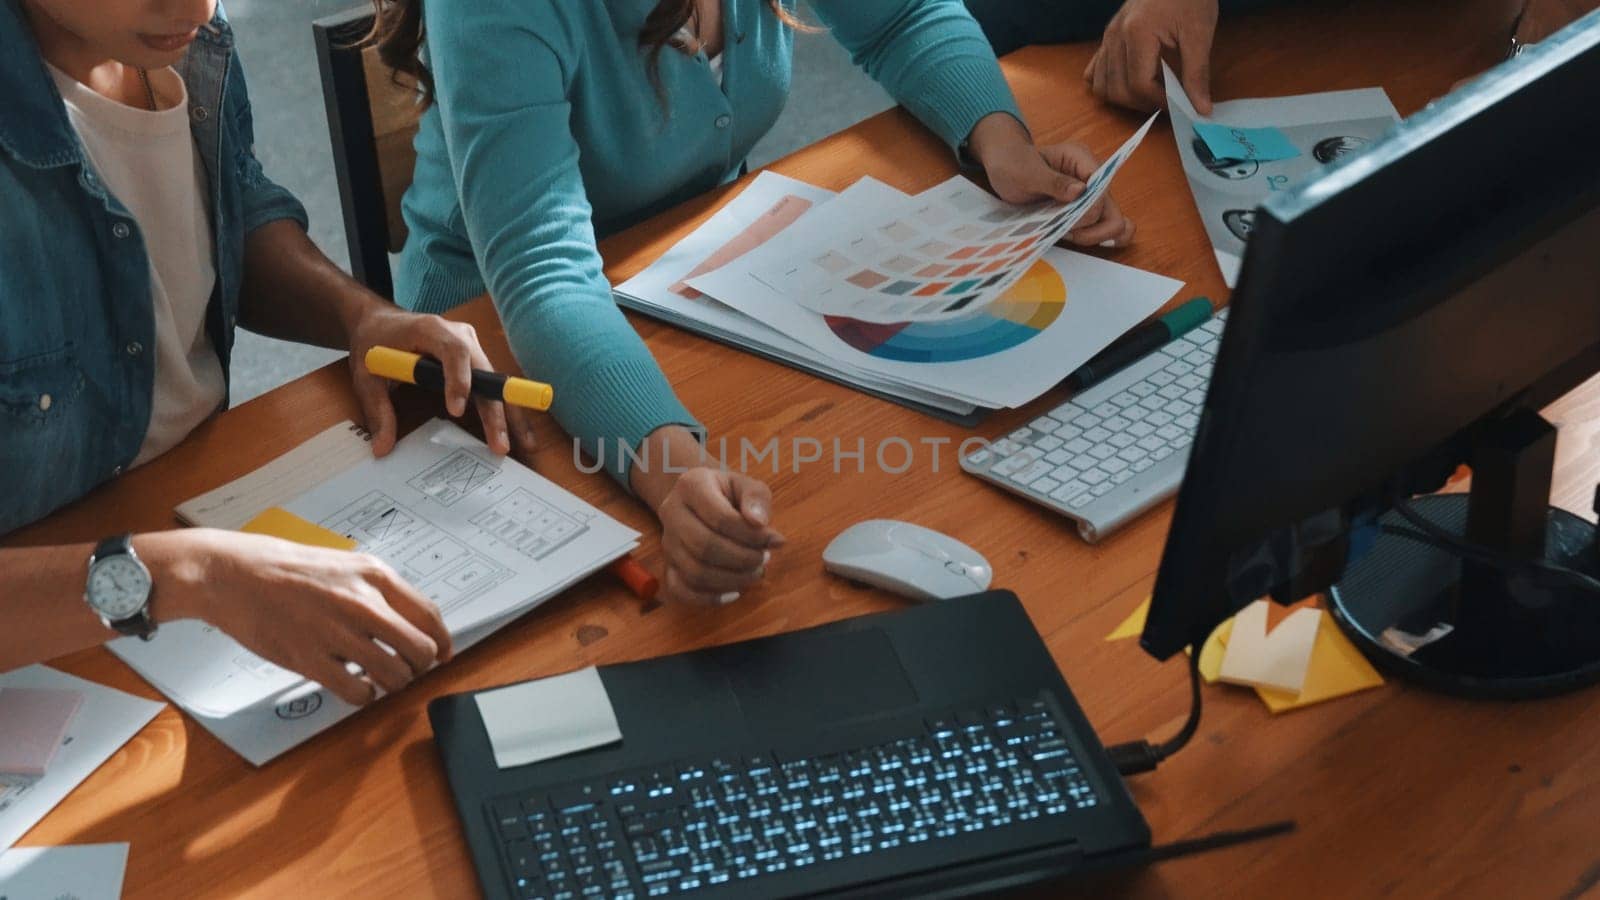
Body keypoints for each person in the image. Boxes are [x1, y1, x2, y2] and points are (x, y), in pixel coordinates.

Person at [368, 0, 1135, 606]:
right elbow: (543, 271)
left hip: (698, 289)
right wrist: (673, 477)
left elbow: (903, 15)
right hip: (505, 357)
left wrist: (1002, 146)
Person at [0, 0, 534, 706]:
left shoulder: (185, 38)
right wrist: (192, 575)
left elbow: (229, 210)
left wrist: (360, 316)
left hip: (194, 521)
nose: (197, 6)